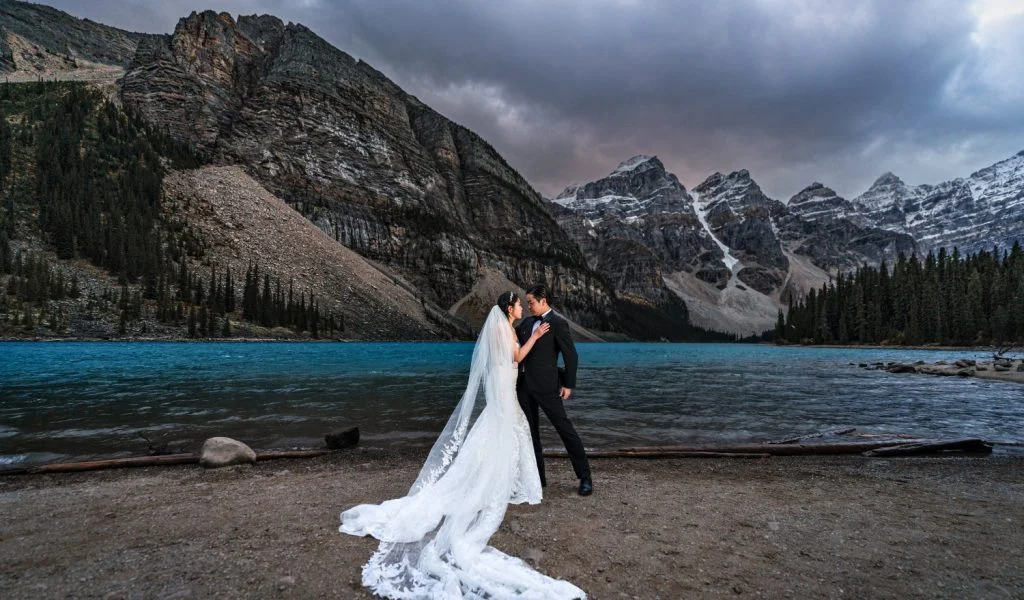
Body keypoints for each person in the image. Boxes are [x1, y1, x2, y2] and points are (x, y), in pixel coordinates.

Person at [339, 292, 587, 600]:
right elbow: (517, 357)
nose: (524, 306)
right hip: (507, 388)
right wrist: (535, 335)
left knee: (516, 432)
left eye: (528, 302)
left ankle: (546, 476)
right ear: (510, 309)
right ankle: (509, 479)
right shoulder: (510, 328)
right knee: (514, 431)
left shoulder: (521, 325)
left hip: (518, 387)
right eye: (520, 304)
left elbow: (557, 356)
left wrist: (563, 377)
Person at [516, 284, 592, 496]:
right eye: (527, 302)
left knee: (565, 429)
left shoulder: (558, 323)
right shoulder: (526, 323)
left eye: (531, 302)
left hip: (548, 387)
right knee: (531, 434)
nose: (528, 305)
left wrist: (568, 384)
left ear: (543, 301)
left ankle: (585, 477)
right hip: (523, 387)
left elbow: (571, 356)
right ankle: (538, 479)